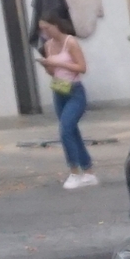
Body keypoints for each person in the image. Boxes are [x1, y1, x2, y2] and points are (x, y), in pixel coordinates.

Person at [34, 16, 95, 189]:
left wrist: (61, 64)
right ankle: (88, 170)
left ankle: (74, 171)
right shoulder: (48, 46)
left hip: (74, 90)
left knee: (65, 129)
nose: (45, 33)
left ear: (56, 25)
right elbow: (53, 72)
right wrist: (47, 65)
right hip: (59, 89)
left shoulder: (71, 43)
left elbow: (82, 68)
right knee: (72, 130)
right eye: (42, 30)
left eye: (47, 28)